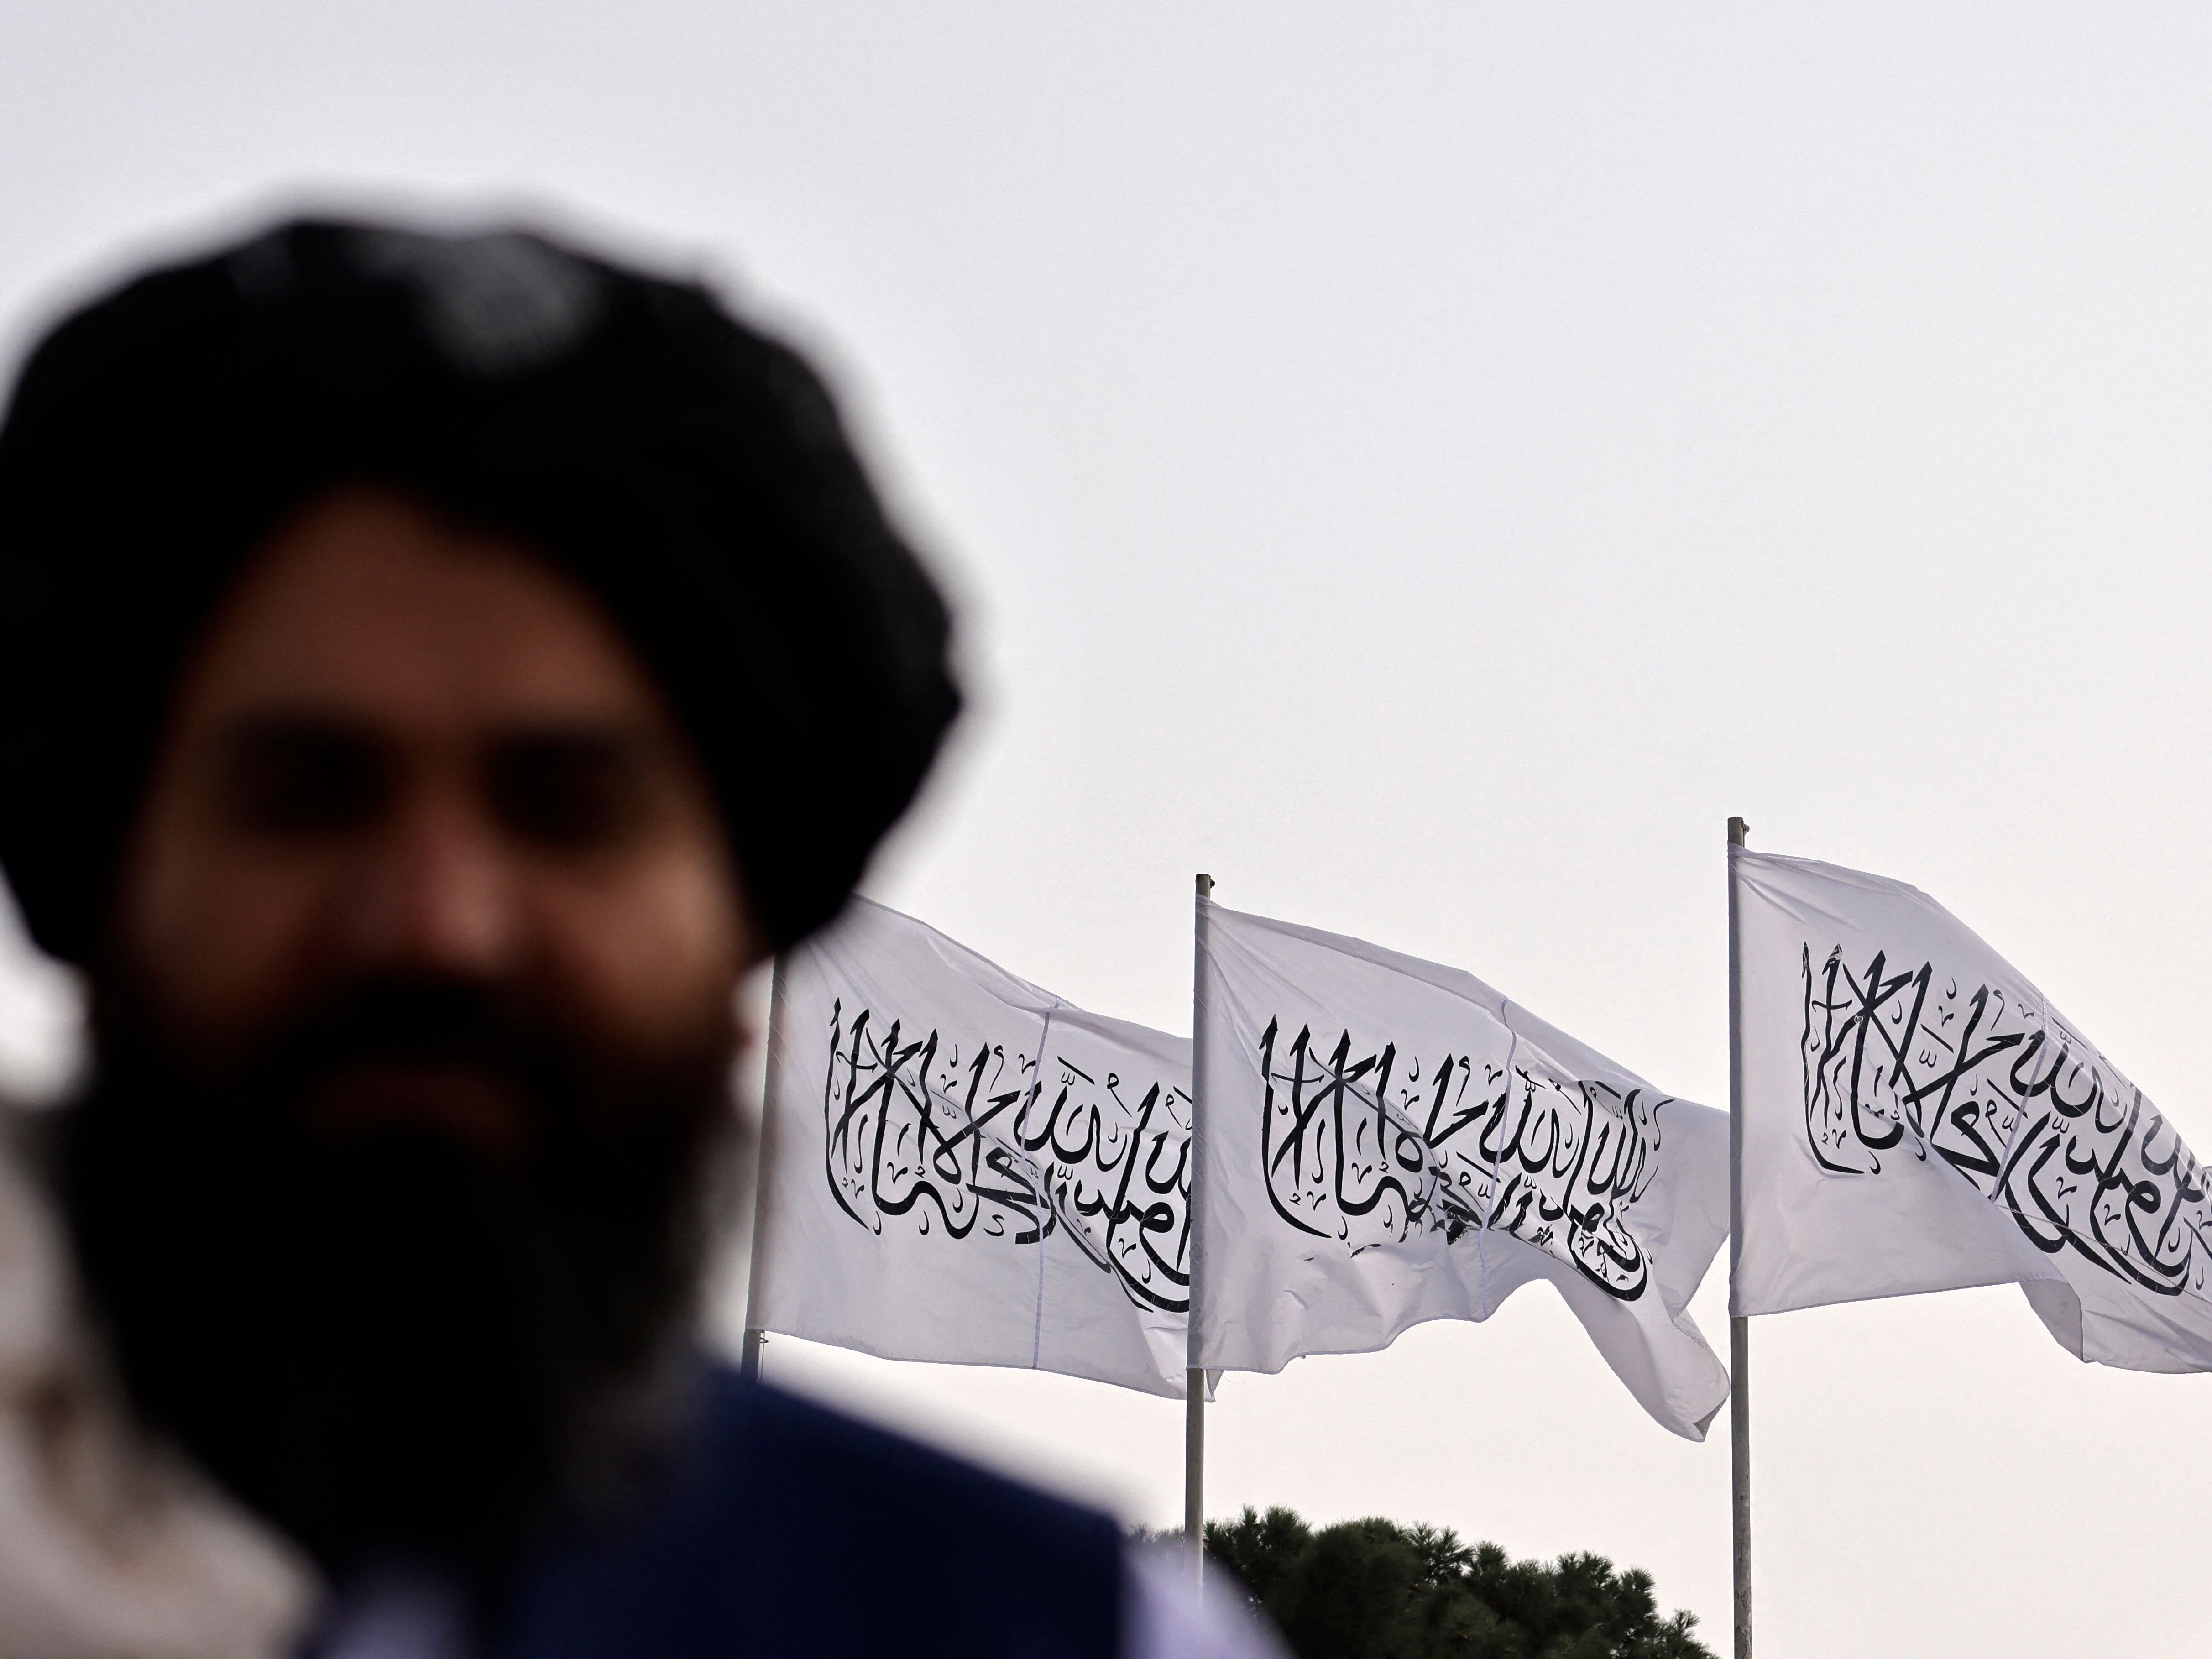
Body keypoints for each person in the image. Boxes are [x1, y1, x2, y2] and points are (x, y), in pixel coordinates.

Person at [0, 216, 1280, 1659]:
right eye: (308, 797)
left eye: (568, 813)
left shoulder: (1066, 1631)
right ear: (105, 888)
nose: (437, 922)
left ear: (743, 940)